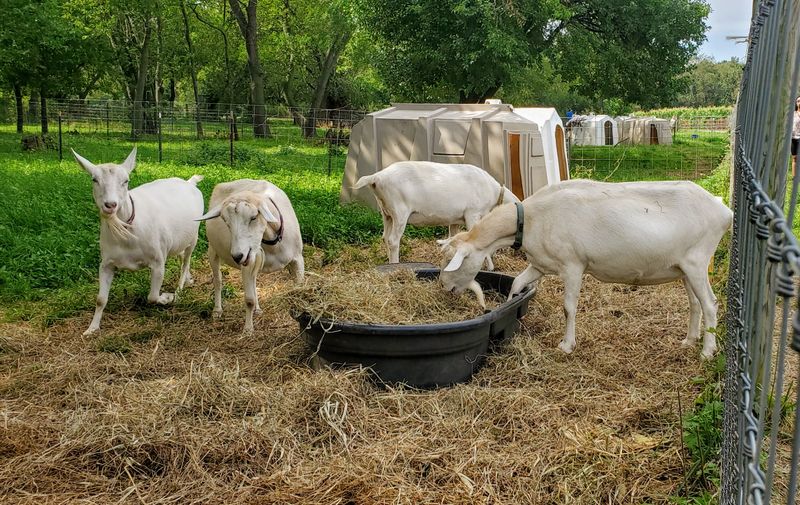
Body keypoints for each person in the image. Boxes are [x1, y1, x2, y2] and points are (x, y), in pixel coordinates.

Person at [792, 96, 800, 177]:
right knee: (794, 158)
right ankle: (794, 177)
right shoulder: (793, 114)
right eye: (798, 101)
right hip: (794, 138)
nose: (799, 102)